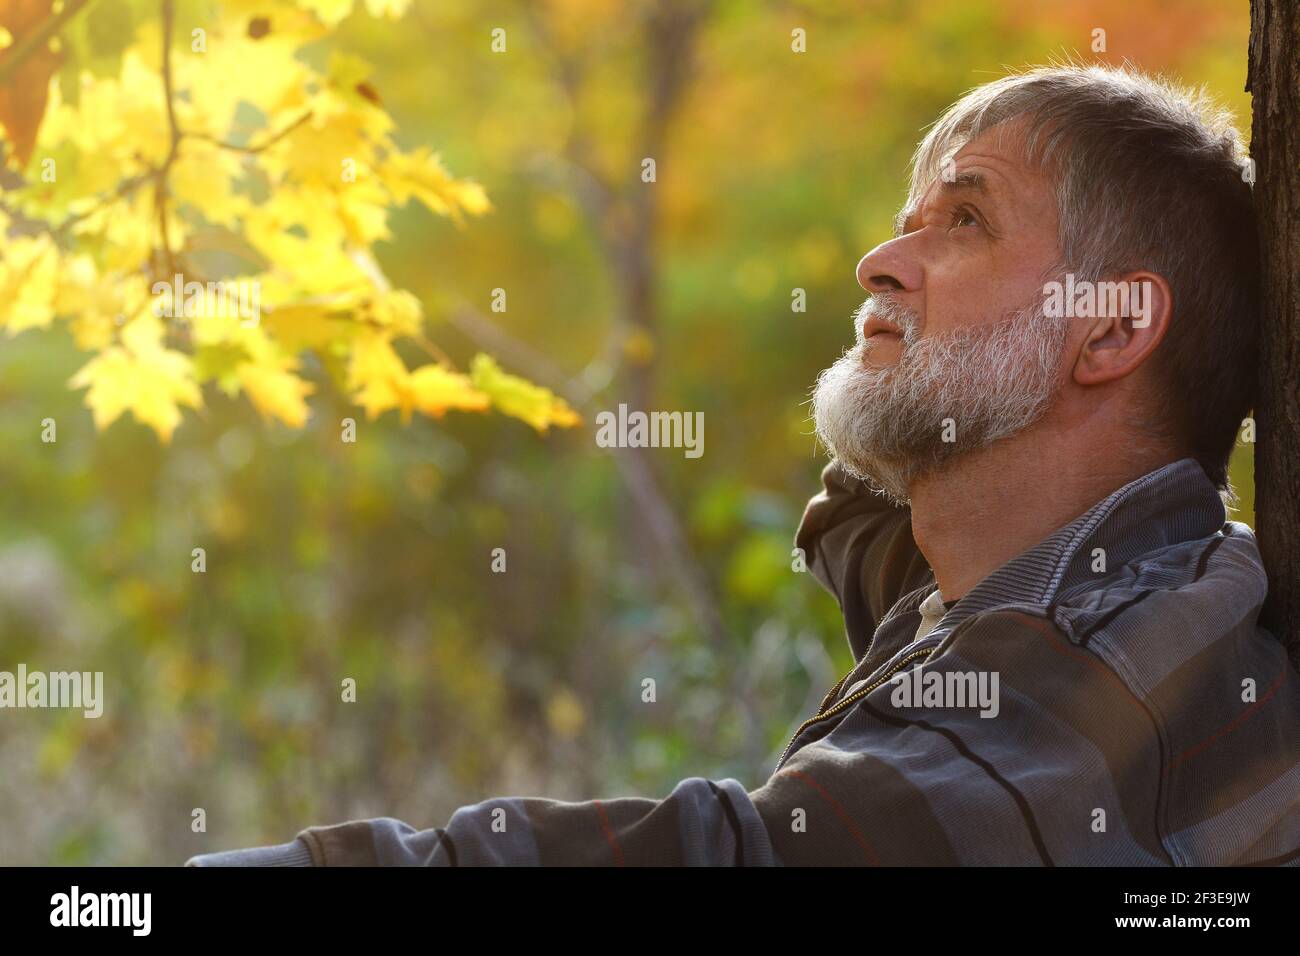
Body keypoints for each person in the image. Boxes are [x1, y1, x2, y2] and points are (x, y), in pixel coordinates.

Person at [188, 63, 1300, 867]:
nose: (879, 260)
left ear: (1108, 328)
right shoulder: (989, 578)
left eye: (963, 217)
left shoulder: (1132, 659)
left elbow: (752, 854)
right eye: (903, 220)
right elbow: (852, 521)